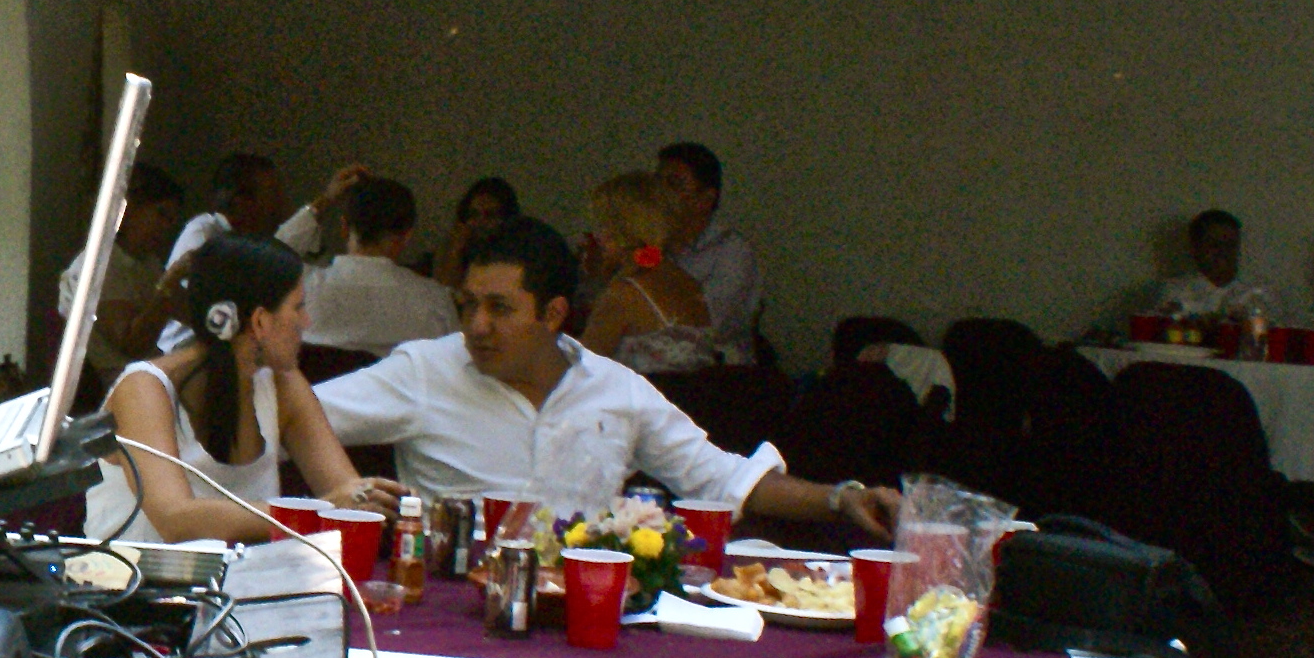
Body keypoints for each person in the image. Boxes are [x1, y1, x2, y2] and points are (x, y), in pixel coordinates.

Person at [319, 216, 899, 537]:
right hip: (451, 610)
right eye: (467, 305)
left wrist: (842, 498)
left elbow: (721, 478)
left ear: (553, 315)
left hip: (584, 606)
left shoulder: (615, 388)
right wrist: (342, 487)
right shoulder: (426, 370)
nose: (477, 326)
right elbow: (297, 416)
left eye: (499, 309)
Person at [88, 233, 401, 541]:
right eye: (298, 307)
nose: (306, 322)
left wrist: (378, 501)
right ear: (261, 321)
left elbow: (347, 494)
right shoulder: (142, 388)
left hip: (248, 573)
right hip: (129, 573)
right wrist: (320, 511)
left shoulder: (282, 384)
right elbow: (175, 519)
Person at [152, 151, 311, 349]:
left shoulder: (248, 243)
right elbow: (196, 309)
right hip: (186, 352)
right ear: (241, 202)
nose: (282, 204)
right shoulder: (204, 233)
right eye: (273, 195)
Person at [576, 170, 715, 376]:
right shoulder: (689, 284)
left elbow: (580, 371)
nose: (597, 235)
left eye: (604, 224)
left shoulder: (625, 294)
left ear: (625, 229)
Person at [55, 162, 186, 377]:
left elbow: (191, 312)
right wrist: (170, 283)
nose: (166, 227)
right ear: (130, 209)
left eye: (171, 221)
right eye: (161, 214)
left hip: (143, 375)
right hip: (110, 383)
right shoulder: (99, 264)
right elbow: (132, 343)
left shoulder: (147, 263)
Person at [299, 175, 455, 354]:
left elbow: (274, 256)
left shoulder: (300, 290)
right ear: (406, 236)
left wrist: (323, 201)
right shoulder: (435, 302)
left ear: (344, 227)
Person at [653, 141, 762, 365]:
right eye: (657, 183)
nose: (660, 194)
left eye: (674, 184)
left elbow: (711, 326)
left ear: (706, 199)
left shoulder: (731, 251)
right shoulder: (651, 247)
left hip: (714, 371)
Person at [1156, 208, 1273, 321]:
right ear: (1195, 248)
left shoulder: (1258, 293)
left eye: (1230, 245)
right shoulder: (1175, 292)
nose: (1223, 251)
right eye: (1214, 245)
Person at [447, 176, 521, 274]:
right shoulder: (451, 250)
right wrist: (457, 253)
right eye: (474, 214)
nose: (481, 222)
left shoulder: (517, 261)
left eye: (490, 215)